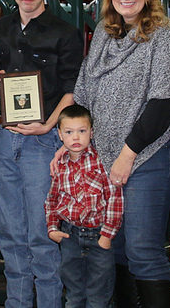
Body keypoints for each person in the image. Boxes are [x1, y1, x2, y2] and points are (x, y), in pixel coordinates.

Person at [73, 0, 170, 307]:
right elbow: (83, 93)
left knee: (142, 248)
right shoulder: (105, 36)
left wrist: (126, 156)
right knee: (117, 246)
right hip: (106, 156)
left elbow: (164, 102)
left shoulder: (164, 35)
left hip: (149, 154)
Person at [0, 0, 85, 308]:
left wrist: (47, 126)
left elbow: (74, 89)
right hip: (5, 138)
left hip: (42, 143)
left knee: (43, 233)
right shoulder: (2, 29)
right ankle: (17, 302)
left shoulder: (66, 33)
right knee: (10, 232)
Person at [45, 104, 123, 308]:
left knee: (99, 296)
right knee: (74, 295)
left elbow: (115, 199)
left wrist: (107, 235)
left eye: (82, 131)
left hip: (99, 238)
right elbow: (52, 199)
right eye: (69, 132)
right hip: (69, 237)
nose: (76, 138)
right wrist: (52, 228)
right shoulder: (59, 165)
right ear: (60, 135)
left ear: (92, 132)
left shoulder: (102, 162)